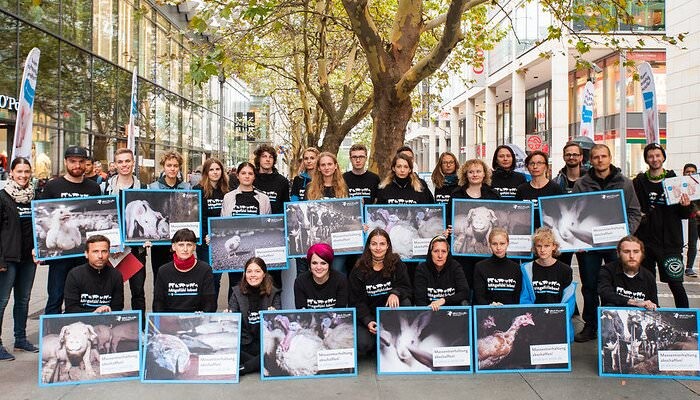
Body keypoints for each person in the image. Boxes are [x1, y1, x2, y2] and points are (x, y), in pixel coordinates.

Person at [572, 144, 641, 342]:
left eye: (603, 156)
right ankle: (591, 325)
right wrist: (578, 239)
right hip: (590, 245)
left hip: (616, 245)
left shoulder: (625, 183)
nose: (600, 160)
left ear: (610, 158)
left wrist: (625, 236)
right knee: (589, 285)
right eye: (596, 157)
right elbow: (575, 214)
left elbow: (634, 212)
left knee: (616, 284)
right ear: (590, 160)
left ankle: (615, 326)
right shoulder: (581, 184)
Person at [41, 146, 102, 314]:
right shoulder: (52, 186)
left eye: (81, 161)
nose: (77, 165)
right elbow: (42, 217)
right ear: (65, 162)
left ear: (86, 163)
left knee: (83, 298)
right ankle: (51, 328)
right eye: (73, 161)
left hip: (84, 255)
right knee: (55, 296)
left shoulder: (94, 188)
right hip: (60, 258)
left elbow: (95, 218)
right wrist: (38, 248)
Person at [633, 143, 690, 308]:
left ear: (663, 157)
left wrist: (685, 206)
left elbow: (684, 215)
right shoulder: (638, 182)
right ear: (646, 159)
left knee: (676, 283)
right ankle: (653, 315)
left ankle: (685, 317)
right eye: (650, 156)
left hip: (671, 242)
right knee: (647, 284)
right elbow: (632, 207)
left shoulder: (675, 181)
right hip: (645, 241)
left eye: (658, 155)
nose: (654, 159)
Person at [349, 228, 412, 356]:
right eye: (374, 244)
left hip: (390, 315)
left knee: (405, 302)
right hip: (370, 316)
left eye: (382, 244)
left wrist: (395, 293)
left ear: (388, 245)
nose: (378, 248)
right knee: (363, 344)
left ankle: (396, 334)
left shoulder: (397, 263)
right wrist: (367, 320)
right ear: (369, 246)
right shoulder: (358, 268)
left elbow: (406, 287)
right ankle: (377, 343)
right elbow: (356, 300)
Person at [0, 157, 39, 359]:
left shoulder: (34, 197)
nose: (23, 175)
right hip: (8, 258)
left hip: (28, 258)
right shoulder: (3, 197)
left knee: (23, 300)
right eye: (19, 171)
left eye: (26, 171)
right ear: (11, 173)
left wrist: (40, 249)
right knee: (2, 301)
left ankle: (21, 339)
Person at [104, 148, 146, 320]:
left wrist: (149, 237)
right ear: (115, 164)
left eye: (127, 161)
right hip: (112, 249)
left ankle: (140, 327)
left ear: (133, 163)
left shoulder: (144, 188)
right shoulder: (105, 188)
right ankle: (113, 325)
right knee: (112, 292)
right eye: (120, 161)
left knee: (138, 291)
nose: (124, 165)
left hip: (136, 249)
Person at [221, 161, 272, 294]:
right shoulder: (228, 197)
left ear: (254, 176)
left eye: (250, 173)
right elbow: (223, 221)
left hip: (255, 245)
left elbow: (267, 223)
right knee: (235, 285)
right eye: (243, 173)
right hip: (235, 241)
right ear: (237, 175)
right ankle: (234, 307)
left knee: (256, 283)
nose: (247, 176)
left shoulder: (264, 199)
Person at [228, 257, 281, 375]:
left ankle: (245, 367)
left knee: (275, 349)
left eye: (257, 271)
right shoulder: (236, 292)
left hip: (264, 343)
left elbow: (276, 326)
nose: (253, 275)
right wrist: (229, 316)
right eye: (249, 271)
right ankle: (260, 363)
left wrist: (273, 315)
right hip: (244, 344)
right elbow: (233, 320)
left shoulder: (274, 293)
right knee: (229, 349)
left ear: (264, 274)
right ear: (244, 274)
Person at [147, 150, 191, 282]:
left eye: (175, 166)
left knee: (181, 277)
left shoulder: (187, 187)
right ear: (163, 166)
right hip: (160, 241)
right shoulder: (153, 187)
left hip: (181, 239)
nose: (172, 169)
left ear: (179, 167)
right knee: (159, 277)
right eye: (169, 165)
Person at [152, 228, 216, 313]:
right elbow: (158, 303)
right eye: (181, 245)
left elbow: (210, 303)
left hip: (197, 318)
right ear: (173, 247)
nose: (185, 249)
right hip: (170, 319)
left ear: (194, 247)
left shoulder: (205, 269)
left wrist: (202, 316)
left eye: (189, 245)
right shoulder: (163, 271)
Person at [193, 158, 229, 298]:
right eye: (211, 169)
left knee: (216, 277)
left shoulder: (227, 190)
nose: (215, 172)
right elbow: (197, 217)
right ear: (206, 172)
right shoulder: (198, 190)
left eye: (217, 169)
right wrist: (204, 236)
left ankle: (212, 306)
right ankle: (204, 306)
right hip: (206, 241)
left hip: (221, 239)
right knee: (206, 276)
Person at [64, 235, 124, 314]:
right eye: (95, 251)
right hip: (80, 320)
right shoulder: (74, 274)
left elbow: (117, 308)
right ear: (86, 254)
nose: (100, 256)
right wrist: (94, 312)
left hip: (107, 319)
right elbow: (70, 308)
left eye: (104, 251)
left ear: (109, 253)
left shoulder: (116, 275)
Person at [598, 236, 658, 310]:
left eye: (636, 252)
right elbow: (606, 294)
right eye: (626, 252)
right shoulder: (607, 270)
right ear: (618, 253)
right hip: (612, 314)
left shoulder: (648, 276)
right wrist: (634, 302)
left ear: (642, 254)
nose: (632, 256)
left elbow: (655, 305)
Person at [414, 235, 469, 310]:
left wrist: (443, 300)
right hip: (429, 311)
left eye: (443, 251)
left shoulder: (455, 267)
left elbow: (465, 292)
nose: (440, 255)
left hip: (452, 312)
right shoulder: (422, 269)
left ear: (448, 253)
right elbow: (419, 299)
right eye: (436, 251)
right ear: (430, 253)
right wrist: (428, 311)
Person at [520, 228, 573, 305]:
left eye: (546, 246)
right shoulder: (527, 269)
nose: (542, 250)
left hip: (557, 312)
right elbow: (525, 298)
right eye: (539, 246)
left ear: (553, 246)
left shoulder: (565, 270)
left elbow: (568, 299)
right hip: (534, 312)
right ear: (535, 247)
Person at [473, 228, 522, 305]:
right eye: (494, 244)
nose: (498, 248)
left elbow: (517, 298)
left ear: (507, 243)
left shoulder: (516, 268)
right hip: (487, 311)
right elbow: (479, 297)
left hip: (510, 311)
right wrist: (490, 306)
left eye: (502, 243)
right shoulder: (480, 267)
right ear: (489, 244)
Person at [515, 151, 563, 229]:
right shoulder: (522, 189)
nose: (535, 166)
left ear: (546, 167)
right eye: (532, 163)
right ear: (527, 167)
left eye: (539, 163)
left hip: (548, 233)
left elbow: (560, 215)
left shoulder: (555, 188)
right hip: (527, 231)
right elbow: (517, 213)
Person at [294, 243, 349, 309]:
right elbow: (301, 312)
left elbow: (341, 311)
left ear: (329, 264)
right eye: (314, 263)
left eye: (323, 263)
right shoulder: (300, 281)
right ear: (309, 264)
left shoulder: (340, 280)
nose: (319, 267)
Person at [253, 143, 290, 214]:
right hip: (255, 219)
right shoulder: (252, 179)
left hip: (276, 219)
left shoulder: (282, 181)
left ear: (274, 160)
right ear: (258, 159)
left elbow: (286, 207)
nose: (268, 159)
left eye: (271, 157)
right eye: (264, 156)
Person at [684, 163, 699, 277]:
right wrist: (697, 211)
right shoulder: (681, 185)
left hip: (696, 219)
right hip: (690, 218)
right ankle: (688, 267)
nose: (690, 174)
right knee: (692, 243)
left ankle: (690, 267)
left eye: (693, 172)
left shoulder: (698, 184)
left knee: (693, 244)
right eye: (687, 172)